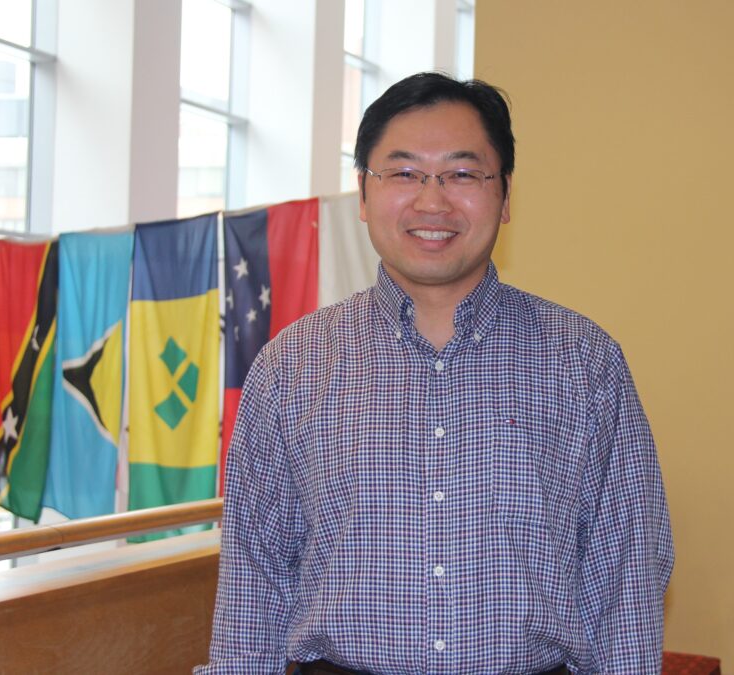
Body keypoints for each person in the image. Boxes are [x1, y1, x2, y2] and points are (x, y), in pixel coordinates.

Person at [197, 72, 673, 675]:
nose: (432, 200)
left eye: (463, 173)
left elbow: (626, 578)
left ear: (505, 197)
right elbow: (253, 584)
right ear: (364, 195)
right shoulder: (290, 367)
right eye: (403, 172)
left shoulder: (585, 362)